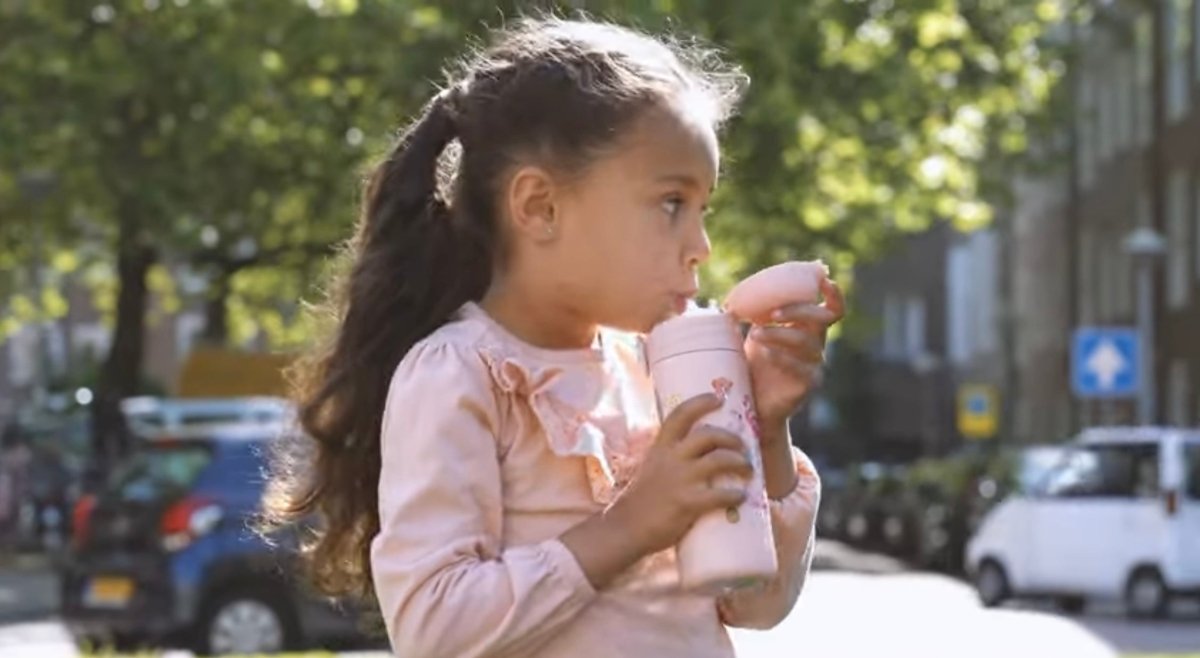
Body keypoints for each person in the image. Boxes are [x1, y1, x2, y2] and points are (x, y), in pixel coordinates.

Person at [265, 16, 843, 658]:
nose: (700, 247)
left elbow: (756, 603)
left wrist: (762, 429)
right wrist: (631, 525)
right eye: (671, 203)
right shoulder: (462, 374)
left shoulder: (654, 372)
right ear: (540, 207)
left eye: (703, 209)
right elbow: (433, 632)